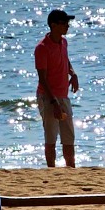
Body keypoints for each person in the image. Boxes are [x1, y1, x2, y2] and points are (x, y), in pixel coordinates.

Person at [35, 9, 80, 168]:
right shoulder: (42, 48)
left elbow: (66, 61)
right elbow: (43, 78)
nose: (67, 26)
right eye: (64, 23)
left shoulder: (63, 42)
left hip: (63, 96)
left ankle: (71, 167)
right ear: (53, 25)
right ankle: (52, 171)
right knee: (51, 138)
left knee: (69, 137)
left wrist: (73, 74)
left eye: (68, 23)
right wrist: (54, 103)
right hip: (48, 97)